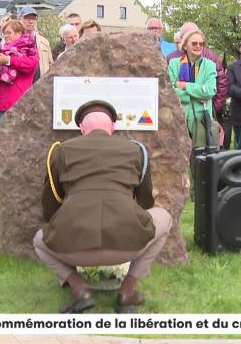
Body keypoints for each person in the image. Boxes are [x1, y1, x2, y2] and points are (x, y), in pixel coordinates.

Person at [33, 100, 172, 313]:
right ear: (113, 128)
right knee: (164, 217)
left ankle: (79, 288)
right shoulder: (135, 151)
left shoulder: (61, 151)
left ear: (81, 128)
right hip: (128, 245)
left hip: (72, 247)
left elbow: (50, 206)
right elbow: (145, 202)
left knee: (39, 241)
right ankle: (127, 291)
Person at [0, 20, 39, 129]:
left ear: (19, 33)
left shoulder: (29, 49)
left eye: (9, 33)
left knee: (16, 140)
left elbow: (31, 65)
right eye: (4, 33)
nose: (6, 36)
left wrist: (8, 60)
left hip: (17, 102)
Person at [168, 29, 217, 147]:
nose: (198, 46)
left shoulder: (210, 65)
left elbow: (210, 91)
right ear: (185, 46)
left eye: (201, 43)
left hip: (202, 120)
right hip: (178, 118)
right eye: (194, 43)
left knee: (201, 158)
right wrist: (196, 94)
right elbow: (170, 91)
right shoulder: (174, 63)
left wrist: (184, 86)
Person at [19, 6, 52, 82]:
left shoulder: (44, 41)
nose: (30, 21)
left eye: (33, 19)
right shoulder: (14, 40)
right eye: (27, 18)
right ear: (20, 19)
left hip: (41, 84)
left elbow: (50, 64)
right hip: (22, 86)